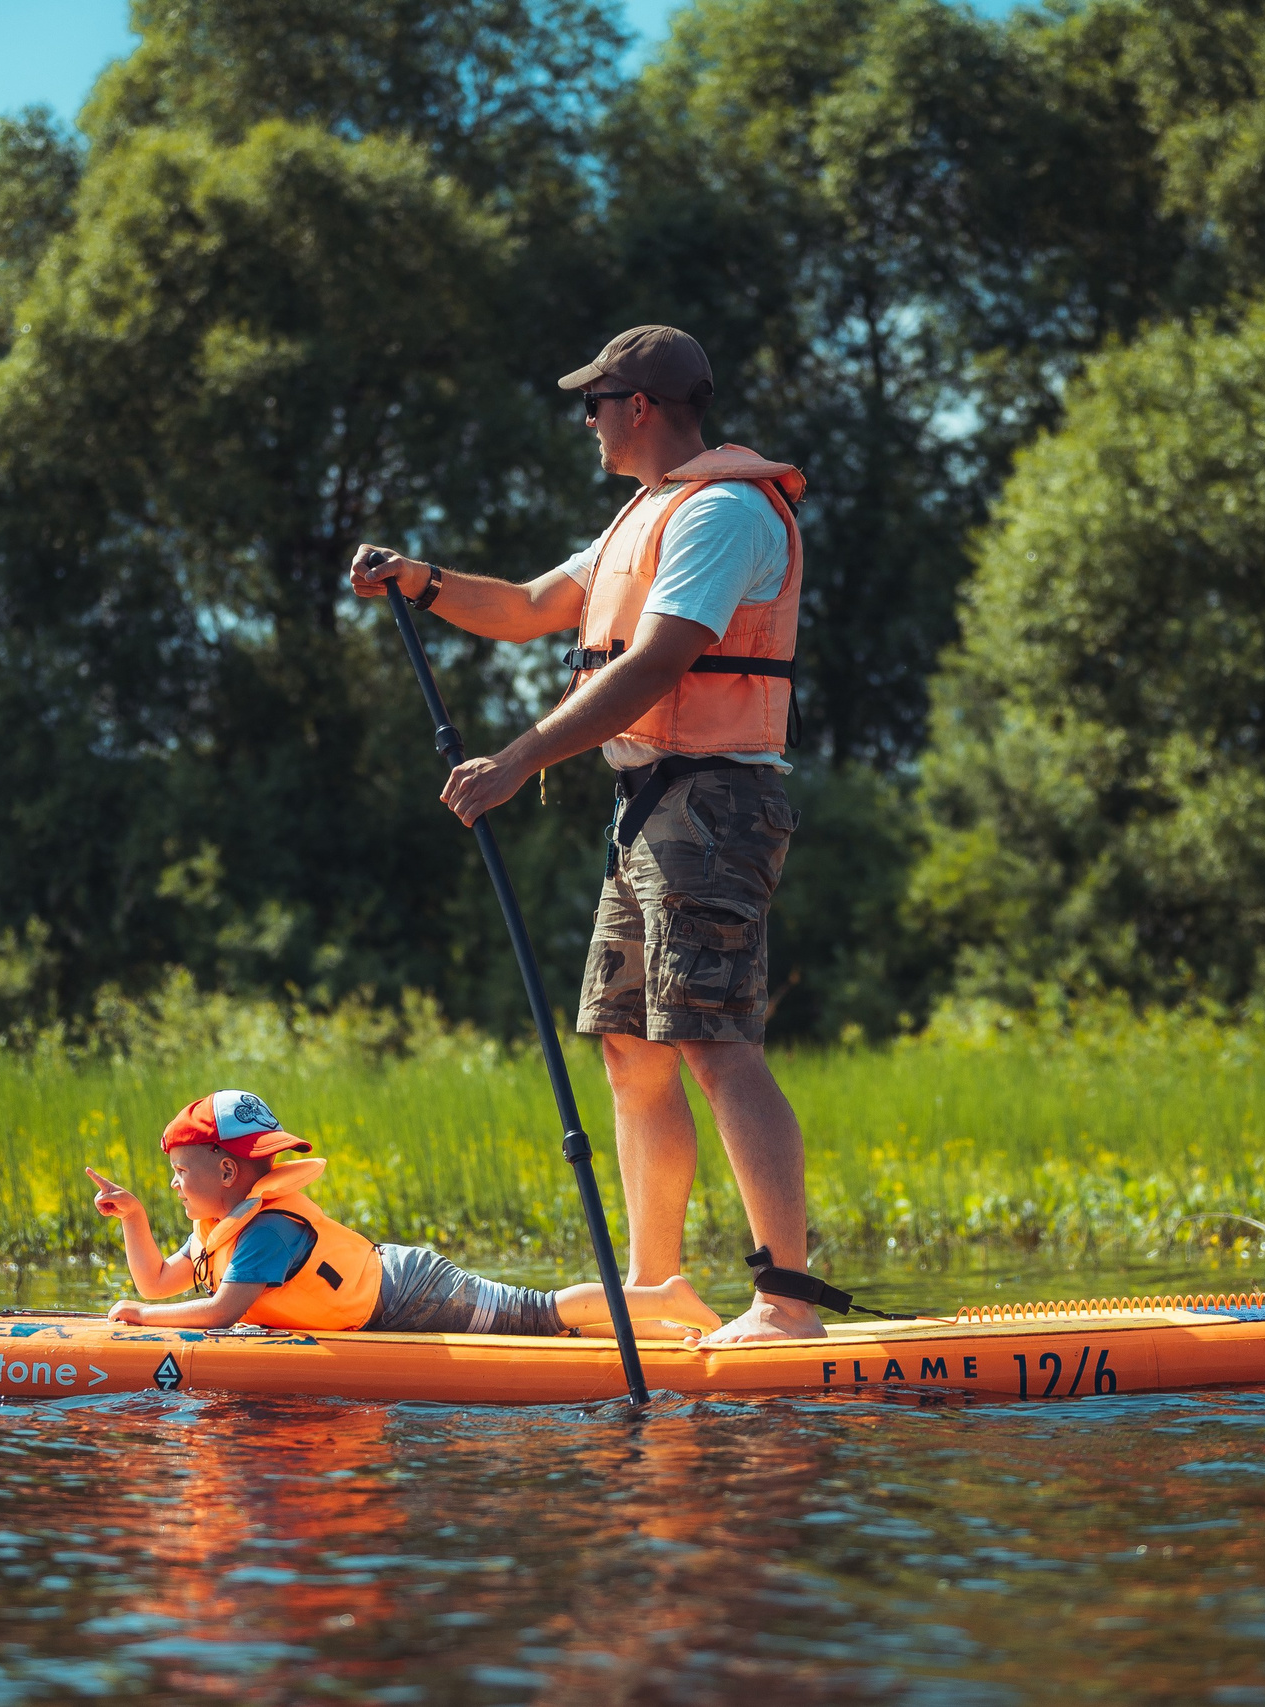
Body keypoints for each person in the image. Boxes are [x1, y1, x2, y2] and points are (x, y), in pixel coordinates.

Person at [349, 324, 854, 1346]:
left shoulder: (719, 511)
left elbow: (657, 663)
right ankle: (657, 1286)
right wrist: (421, 580)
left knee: (714, 1040)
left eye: (595, 401)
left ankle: (785, 1305)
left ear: (640, 407)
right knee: (629, 1046)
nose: (584, 418)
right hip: (649, 809)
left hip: (714, 803)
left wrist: (519, 758)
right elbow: (533, 606)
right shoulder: (642, 517)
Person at [86, 1088, 723, 1337]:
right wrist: (136, 1220)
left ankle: (664, 1297)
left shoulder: (268, 1232)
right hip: (389, 1286)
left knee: (540, 1313)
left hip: (409, 1293)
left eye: (179, 1172)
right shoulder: (220, 1224)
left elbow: (220, 1314)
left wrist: (145, 1319)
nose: (173, 1184)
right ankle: (660, 1335)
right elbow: (160, 1282)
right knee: (542, 1323)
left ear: (227, 1173)